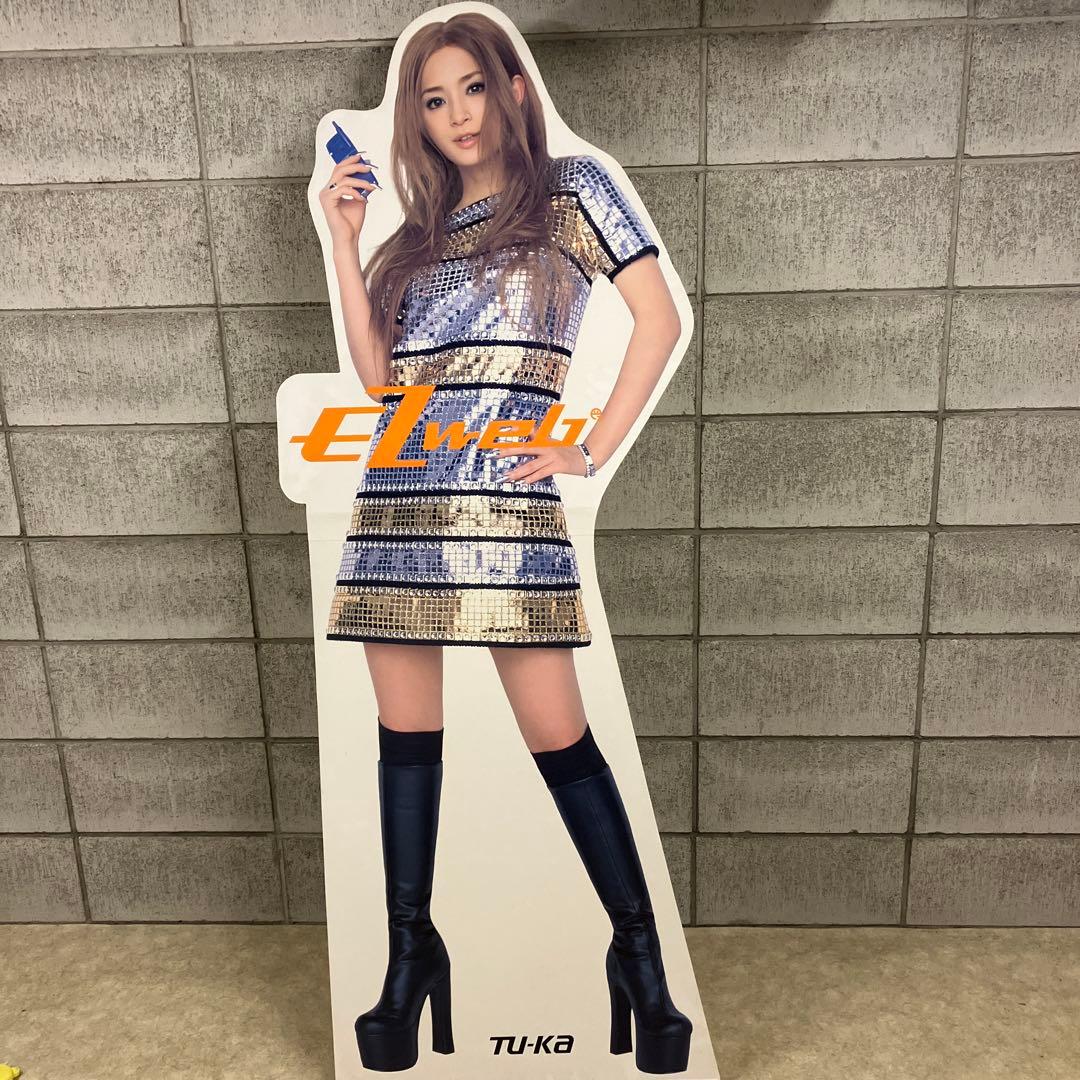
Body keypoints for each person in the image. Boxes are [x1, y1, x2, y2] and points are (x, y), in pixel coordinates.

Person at [318, 10, 690, 1074]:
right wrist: (344, 242)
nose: (458, 116)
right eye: (434, 101)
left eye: (472, 88)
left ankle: (638, 958)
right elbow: (381, 382)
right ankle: (410, 954)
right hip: (399, 501)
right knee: (405, 742)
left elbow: (658, 319)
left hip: (506, 510)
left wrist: (588, 447)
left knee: (561, 740)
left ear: (513, 87)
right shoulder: (413, 240)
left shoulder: (570, 192)